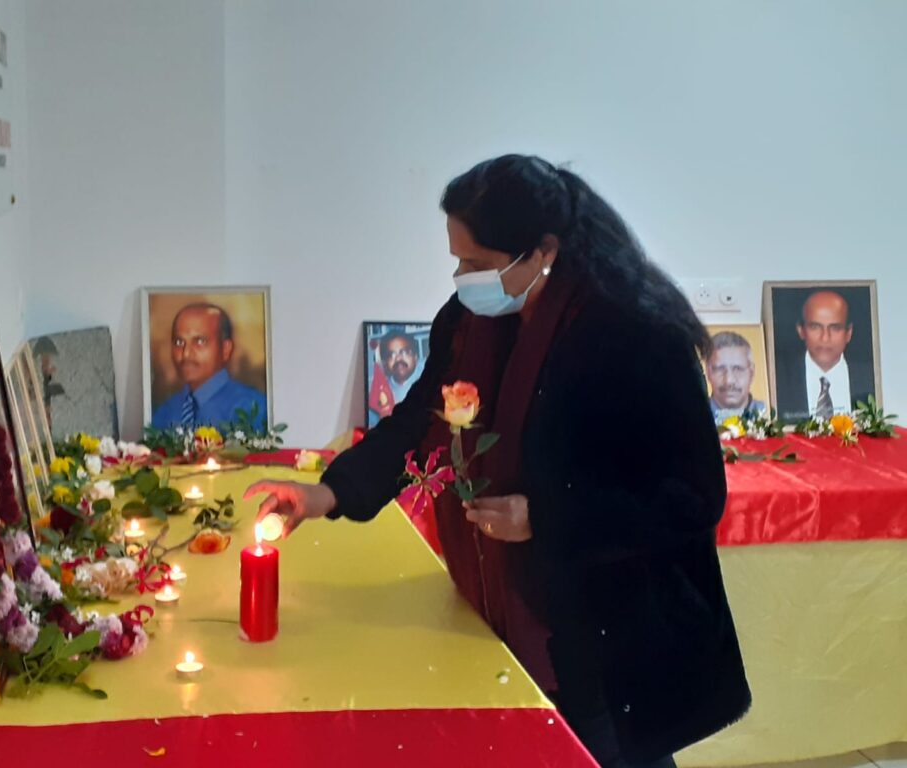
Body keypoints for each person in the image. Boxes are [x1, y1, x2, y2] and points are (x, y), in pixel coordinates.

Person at [245, 155, 750, 767]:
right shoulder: (473, 320)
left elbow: (691, 495)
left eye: (477, 263)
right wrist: (328, 494)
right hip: (503, 606)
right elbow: (422, 420)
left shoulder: (635, 333)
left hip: (610, 632)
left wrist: (544, 516)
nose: (462, 277)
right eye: (457, 260)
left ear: (543, 252)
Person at [151, 303, 267, 430]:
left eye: (200, 341)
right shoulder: (164, 413)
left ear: (226, 349)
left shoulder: (253, 409)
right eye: (179, 342)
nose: (186, 354)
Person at [774, 289, 874, 421]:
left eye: (835, 328)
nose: (825, 338)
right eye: (815, 327)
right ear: (801, 330)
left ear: (849, 333)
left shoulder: (871, 379)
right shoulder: (777, 380)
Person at [706, 331, 766, 423]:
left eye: (738, 369)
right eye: (720, 369)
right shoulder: (691, 417)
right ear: (708, 372)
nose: (729, 381)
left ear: (751, 372)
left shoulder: (768, 414)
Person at [368, 330, 424, 426]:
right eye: (391, 355)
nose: (398, 359)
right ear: (385, 364)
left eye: (405, 352)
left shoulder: (430, 380)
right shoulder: (381, 392)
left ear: (415, 357)